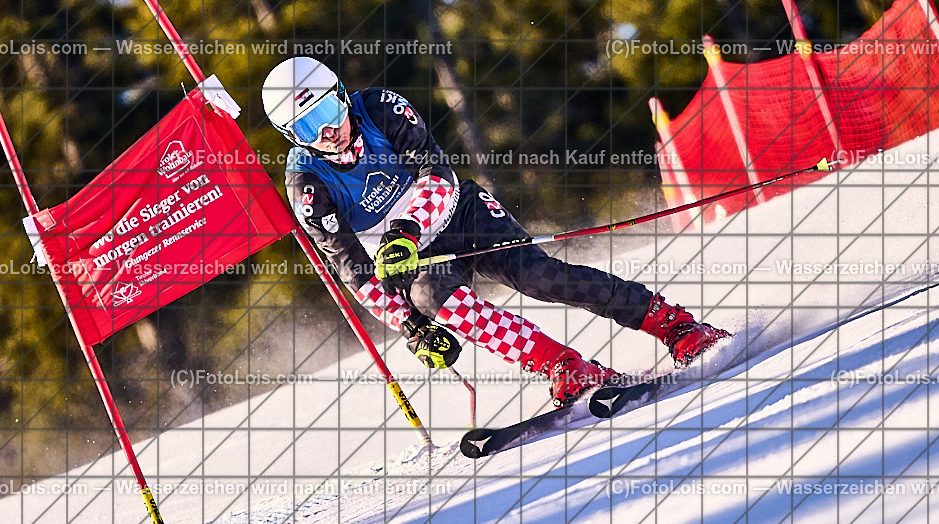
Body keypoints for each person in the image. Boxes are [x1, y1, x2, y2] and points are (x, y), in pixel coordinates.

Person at [262, 57, 728, 407]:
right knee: (432, 301)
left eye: (326, 110)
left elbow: (437, 174)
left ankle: (670, 322)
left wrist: (404, 228)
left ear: (341, 94)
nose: (327, 131)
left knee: (538, 277)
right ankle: (562, 365)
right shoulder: (308, 182)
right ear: (291, 135)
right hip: (413, 257)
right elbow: (353, 269)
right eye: (306, 126)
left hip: (456, 214)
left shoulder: (380, 108)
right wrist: (411, 327)